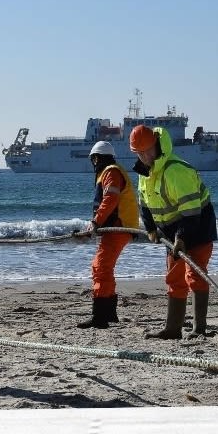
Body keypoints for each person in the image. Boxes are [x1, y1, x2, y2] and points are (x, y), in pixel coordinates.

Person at [130, 124, 218, 338]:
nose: (145, 157)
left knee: (195, 275)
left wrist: (181, 237)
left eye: (148, 151)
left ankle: (199, 329)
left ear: (157, 144)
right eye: (139, 153)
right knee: (174, 277)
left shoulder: (176, 170)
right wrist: (151, 228)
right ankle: (173, 329)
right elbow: (144, 204)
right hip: (172, 232)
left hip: (198, 227)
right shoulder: (145, 172)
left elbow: (192, 212)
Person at [75, 140, 139, 329]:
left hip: (119, 228)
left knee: (100, 268)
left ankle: (100, 317)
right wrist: (93, 227)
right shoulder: (111, 171)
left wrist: (95, 222)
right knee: (103, 267)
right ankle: (110, 314)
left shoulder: (110, 172)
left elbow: (110, 199)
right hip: (117, 227)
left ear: (96, 158)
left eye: (93, 159)